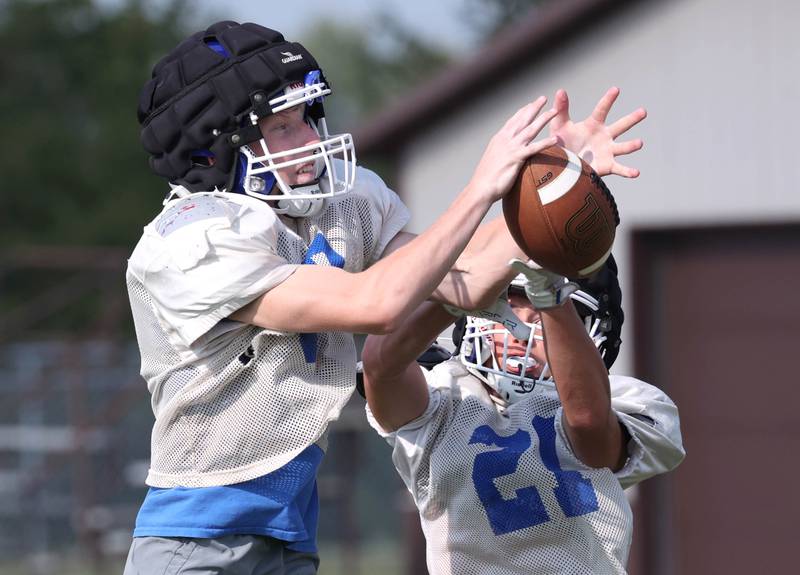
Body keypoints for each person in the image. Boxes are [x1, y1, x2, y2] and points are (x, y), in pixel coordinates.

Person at [124, 19, 646, 574]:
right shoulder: (189, 240)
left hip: (289, 526)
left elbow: (460, 277)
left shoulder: (338, 201)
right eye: (281, 128)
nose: (308, 141)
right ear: (212, 153)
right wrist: (479, 188)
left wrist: (555, 182)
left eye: (306, 118)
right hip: (196, 535)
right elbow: (377, 304)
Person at [361, 256, 685, 574]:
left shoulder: (620, 400)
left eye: (540, 316)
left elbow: (589, 426)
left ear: (592, 334)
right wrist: (459, 292)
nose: (520, 333)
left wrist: (553, 298)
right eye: (508, 308)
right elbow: (381, 368)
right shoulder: (442, 395)